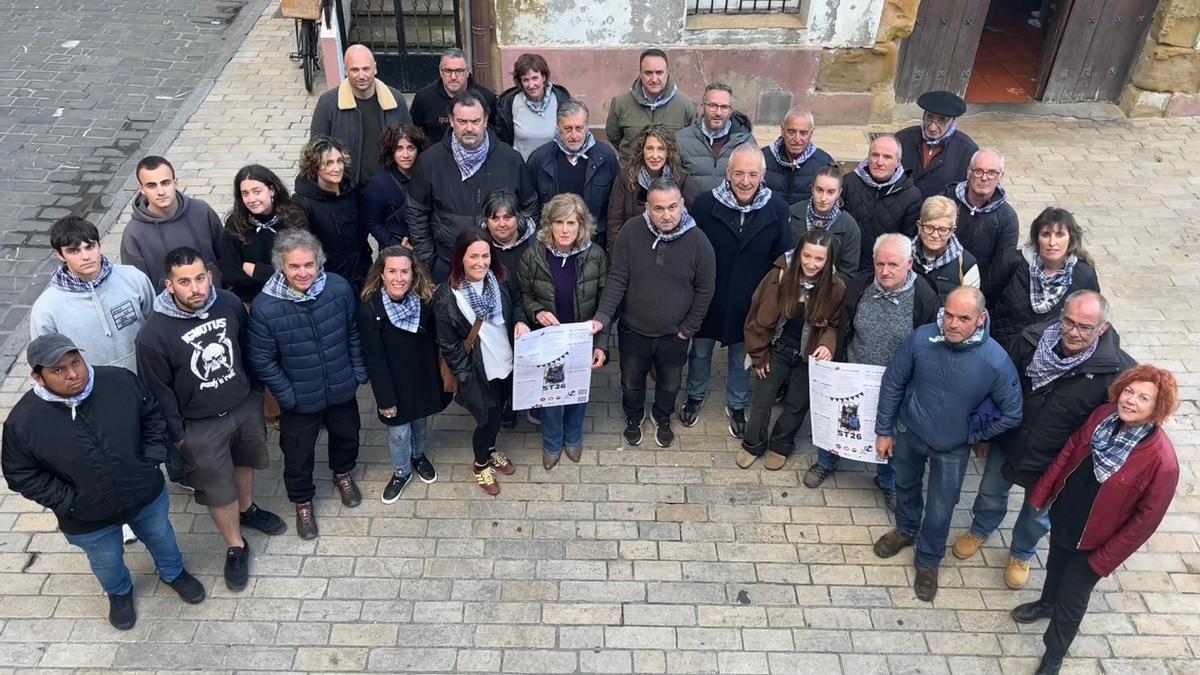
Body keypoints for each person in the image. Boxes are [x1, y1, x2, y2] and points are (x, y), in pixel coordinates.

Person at [2, 334, 206, 630]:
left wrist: (150, 460)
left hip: (145, 493)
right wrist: (70, 500)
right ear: (38, 377)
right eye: (58, 370)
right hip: (86, 517)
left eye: (75, 362)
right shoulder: (22, 422)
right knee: (106, 561)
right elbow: (20, 474)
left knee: (162, 536)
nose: (73, 374)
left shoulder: (119, 381)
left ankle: (173, 573)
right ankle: (119, 593)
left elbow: (152, 416)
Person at [954, 291, 1133, 590]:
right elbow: (999, 387)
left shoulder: (1117, 373)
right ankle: (980, 528)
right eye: (1069, 322)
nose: (1073, 332)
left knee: (1037, 512)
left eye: (1085, 327)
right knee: (989, 491)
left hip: (1058, 458)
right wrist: (988, 433)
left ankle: (1021, 552)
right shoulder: (1030, 341)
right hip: (1011, 440)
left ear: (1103, 328)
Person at [135, 247, 287, 592]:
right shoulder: (153, 335)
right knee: (217, 490)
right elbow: (158, 392)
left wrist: (255, 395)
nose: (196, 288)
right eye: (184, 282)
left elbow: (248, 349)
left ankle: (247, 509)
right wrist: (179, 437)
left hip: (243, 407)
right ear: (169, 285)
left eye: (200, 278)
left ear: (209, 275)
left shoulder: (229, 303)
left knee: (245, 462)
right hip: (199, 425)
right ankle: (235, 545)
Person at [1018, 366, 1180, 675]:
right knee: (1054, 567)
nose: (1130, 401)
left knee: (1073, 598)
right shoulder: (1103, 416)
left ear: (1157, 408)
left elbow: (1145, 523)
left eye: (1143, 398)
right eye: (1129, 391)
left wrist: (1104, 560)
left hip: (1097, 543)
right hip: (1066, 516)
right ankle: (1046, 603)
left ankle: (1054, 655)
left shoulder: (1163, 462)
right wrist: (1042, 492)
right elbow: (1069, 451)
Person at [872, 286, 1023, 602]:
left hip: (952, 449)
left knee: (941, 508)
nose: (952, 324)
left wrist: (973, 436)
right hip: (910, 433)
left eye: (963, 318)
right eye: (948, 315)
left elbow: (1013, 413)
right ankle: (906, 529)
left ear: (980, 319)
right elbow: (893, 381)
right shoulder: (921, 339)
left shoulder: (995, 360)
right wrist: (884, 430)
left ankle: (928, 560)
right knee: (905, 485)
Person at [245, 229, 367, 539]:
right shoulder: (265, 307)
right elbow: (262, 360)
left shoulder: (338, 288)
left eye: (309, 265)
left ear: (319, 263)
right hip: (299, 399)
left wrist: (357, 372)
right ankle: (302, 501)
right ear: (281, 267)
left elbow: (354, 331)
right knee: (297, 455)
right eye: (294, 266)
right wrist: (287, 396)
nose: (303, 273)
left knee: (348, 435)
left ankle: (342, 473)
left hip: (341, 386)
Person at [808, 234, 939, 508]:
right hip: (855, 375)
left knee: (892, 432)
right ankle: (827, 461)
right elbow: (840, 325)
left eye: (893, 265)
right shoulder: (859, 285)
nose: (885, 271)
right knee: (841, 420)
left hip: (896, 385)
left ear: (910, 263)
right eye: (880, 264)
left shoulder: (925, 298)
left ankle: (887, 480)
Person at [592, 178, 716, 449]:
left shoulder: (699, 242)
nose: (666, 215)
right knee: (630, 382)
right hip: (633, 331)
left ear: (682, 204)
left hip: (674, 335)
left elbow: (705, 289)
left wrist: (688, 328)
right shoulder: (630, 232)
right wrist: (602, 317)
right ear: (647, 207)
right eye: (658, 208)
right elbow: (617, 279)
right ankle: (634, 417)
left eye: (672, 207)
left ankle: (662, 417)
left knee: (670, 384)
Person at [681, 145, 790, 438]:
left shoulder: (777, 209)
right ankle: (695, 395)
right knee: (700, 352)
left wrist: (771, 303)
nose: (745, 181)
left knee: (743, 356)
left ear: (763, 176)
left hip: (750, 301)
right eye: (739, 173)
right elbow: (691, 250)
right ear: (728, 173)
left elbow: (781, 258)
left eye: (753, 174)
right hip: (710, 297)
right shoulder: (705, 204)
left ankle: (737, 403)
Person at [433, 229, 529, 495]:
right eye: (473, 256)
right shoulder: (447, 295)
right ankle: (480, 464)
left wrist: (520, 320)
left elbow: (517, 303)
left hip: (507, 361)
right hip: (478, 371)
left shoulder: (501, 277)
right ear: (460, 258)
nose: (481, 262)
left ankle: (491, 449)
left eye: (485, 255)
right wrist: (465, 376)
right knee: (488, 420)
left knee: (499, 411)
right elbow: (449, 344)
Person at [740, 229, 845, 470]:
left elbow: (835, 324)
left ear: (828, 260)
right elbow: (756, 315)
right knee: (762, 400)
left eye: (819, 259)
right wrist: (758, 354)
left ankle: (780, 444)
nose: (811, 263)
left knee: (797, 405)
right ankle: (752, 443)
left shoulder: (836, 287)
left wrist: (827, 344)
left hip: (808, 355)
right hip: (777, 349)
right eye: (807, 256)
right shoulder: (778, 276)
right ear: (798, 254)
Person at [517, 194, 609, 469]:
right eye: (559, 222)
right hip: (550, 341)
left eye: (571, 223)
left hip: (582, 339)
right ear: (549, 224)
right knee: (551, 395)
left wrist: (601, 343)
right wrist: (536, 312)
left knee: (578, 392)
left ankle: (573, 437)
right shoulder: (533, 255)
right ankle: (552, 442)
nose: (565, 230)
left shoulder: (596, 255)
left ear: (582, 225)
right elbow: (523, 296)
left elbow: (605, 303)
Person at [407, 89, 536, 281]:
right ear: (451, 121)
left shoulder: (510, 159)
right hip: (448, 263)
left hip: (500, 263)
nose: (469, 128)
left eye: (475, 121)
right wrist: (427, 260)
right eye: (462, 121)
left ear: (485, 120)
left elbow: (530, 207)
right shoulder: (430, 161)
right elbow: (416, 212)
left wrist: (515, 245)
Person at [357, 246, 450, 503]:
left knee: (419, 425)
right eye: (392, 271)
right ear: (381, 274)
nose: (399, 278)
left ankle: (418, 456)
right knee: (398, 435)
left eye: (404, 271)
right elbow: (374, 361)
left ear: (414, 274)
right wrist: (385, 399)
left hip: (420, 380)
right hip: (393, 386)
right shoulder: (370, 311)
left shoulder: (425, 303)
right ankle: (402, 471)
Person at [32, 216, 155, 373]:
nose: (85, 256)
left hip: (146, 374)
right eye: (74, 251)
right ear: (60, 255)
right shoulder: (46, 307)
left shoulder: (134, 278)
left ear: (99, 245)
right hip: (91, 384)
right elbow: (44, 360)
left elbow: (157, 327)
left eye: (90, 247)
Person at [989, 207, 1101, 351]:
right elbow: (986, 299)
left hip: (1052, 356)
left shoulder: (1084, 274)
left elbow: (1092, 319)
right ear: (1037, 238)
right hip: (1004, 350)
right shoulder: (1012, 261)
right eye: (1046, 234)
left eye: (1060, 235)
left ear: (1071, 239)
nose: (1052, 242)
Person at [309, 45, 411, 186]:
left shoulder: (395, 99)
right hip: (346, 188)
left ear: (375, 68)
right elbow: (316, 150)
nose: (361, 76)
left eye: (366, 69)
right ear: (346, 70)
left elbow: (410, 142)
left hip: (389, 187)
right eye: (355, 70)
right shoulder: (328, 103)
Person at [526, 98, 619, 248]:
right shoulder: (540, 159)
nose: (574, 135)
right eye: (568, 129)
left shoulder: (606, 157)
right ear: (558, 127)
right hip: (553, 243)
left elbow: (615, 206)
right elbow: (530, 205)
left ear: (587, 127)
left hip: (595, 242)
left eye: (579, 128)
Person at [121, 155, 223, 291]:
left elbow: (225, 255)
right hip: (167, 304)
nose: (161, 192)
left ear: (175, 182)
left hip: (216, 296)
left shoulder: (201, 211)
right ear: (142, 189)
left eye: (165, 183)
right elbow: (137, 286)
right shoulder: (133, 234)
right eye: (151, 186)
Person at [218, 164, 308, 305]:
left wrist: (257, 272)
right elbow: (230, 273)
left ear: (271, 190)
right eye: (245, 194)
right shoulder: (235, 223)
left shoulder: (293, 218)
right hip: (250, 300)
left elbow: (303, 267)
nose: (251, 199)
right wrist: (278, 274)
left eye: (257, 191)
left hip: (290, 297)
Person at [292, 135, 370, 291]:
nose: (337, 168)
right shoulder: (302, 203)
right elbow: (301, 247)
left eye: (339, 161)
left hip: (362, 271)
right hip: (330, 279)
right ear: (314, 167)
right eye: (328, 163)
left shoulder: (351, 190)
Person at [606, 124, 700, 246]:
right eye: (650, 148)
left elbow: (694, 220)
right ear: (642, 151)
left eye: (661, 149)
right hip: (634, 247)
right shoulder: (626, 178)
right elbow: (615, 223)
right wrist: (618, 252)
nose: (655, 156)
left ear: (668, 152)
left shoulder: (681, 179)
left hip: (672, 248)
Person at [944, 148, 1018, 300]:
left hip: (977, 293)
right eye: (978, 171)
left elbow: (1001, 268)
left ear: (1000, 176)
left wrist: (975, 293)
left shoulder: (1007, 218)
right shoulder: (946, 200)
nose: (984, 178)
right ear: (969, 172)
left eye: (991, 173)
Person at [840, 135, 922, 271]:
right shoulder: (848, 183)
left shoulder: (912, 196)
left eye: (887, 157)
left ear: (898, 162)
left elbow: (907, 242)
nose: (879, 162)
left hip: (884, 269)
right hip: (847, 264)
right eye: (875, 155)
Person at [605, 48, 698, 159]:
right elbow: (614, 137)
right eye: (648, 73)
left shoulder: (687, 106)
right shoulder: (621, 104)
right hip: (630, 169)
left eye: (659, 72)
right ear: (640, 73)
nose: (654, 79)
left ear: (667, 72)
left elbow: (693, 144)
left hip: (672, 170)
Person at [895, 90, 979, 199]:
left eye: (942, 120)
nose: (932, 127)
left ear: (952, 121)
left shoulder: (967, 150)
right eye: (929, 117)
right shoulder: (903, 138)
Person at [675, 82, 754, 193]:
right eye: (713, 106)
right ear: (703, 107)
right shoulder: (681, 140)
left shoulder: (746, 142)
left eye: (724, 107)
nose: (718, 113)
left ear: (731, 110)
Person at [409, 48, 498, 144]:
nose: (453, 77)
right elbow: (413, 135)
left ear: (467, 72)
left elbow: (496, 135)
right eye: (447, 71)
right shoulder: (424, 99)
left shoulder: (487, 98)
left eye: (459, 71)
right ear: (440, 72)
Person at [492, 53, 572, 159]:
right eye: (525, 80)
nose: (531, 85)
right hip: (521, 166)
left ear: (543, 77)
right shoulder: (509, 102)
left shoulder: (561, 100)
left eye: (535, 78)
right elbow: (501, 140)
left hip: (552, 166)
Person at [362, 123, 428, 250]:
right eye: (399, 148)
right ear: (391, 151)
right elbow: (372, 221)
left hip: (425, 247)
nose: (405, 155)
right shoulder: (379, 183)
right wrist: (395, 246)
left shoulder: (426, 177)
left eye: (411, 148)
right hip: (394, 249)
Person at [787, 164, 861, 280]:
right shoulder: (791, 214)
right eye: (819, 190)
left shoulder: (849, 227)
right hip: (790, 282)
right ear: (812, 188)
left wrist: (822, 284)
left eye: (830, 192)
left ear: (839, 193)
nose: (823, 198)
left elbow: (847, 272)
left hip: (828, 287)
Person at [912, 195, 980, 300]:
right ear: (919, 226)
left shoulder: (966, 265)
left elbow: (968, 305)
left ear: (952, 231)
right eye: (929, 227)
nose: (935, 235)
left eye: (943, 230)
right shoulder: (902, 255)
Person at [762, 107, 834, 205]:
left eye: (803, 133)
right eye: (791, 132)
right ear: (783, 131)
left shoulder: (824, 163)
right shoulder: (763, 158)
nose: (797, 139)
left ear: (811, 134)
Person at [481, 189, 537, 280]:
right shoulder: (478, 244)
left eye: (507, 217)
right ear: (486, 221)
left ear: (518, 218)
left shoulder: (536, 243)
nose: (502, 224)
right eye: (495, 218)